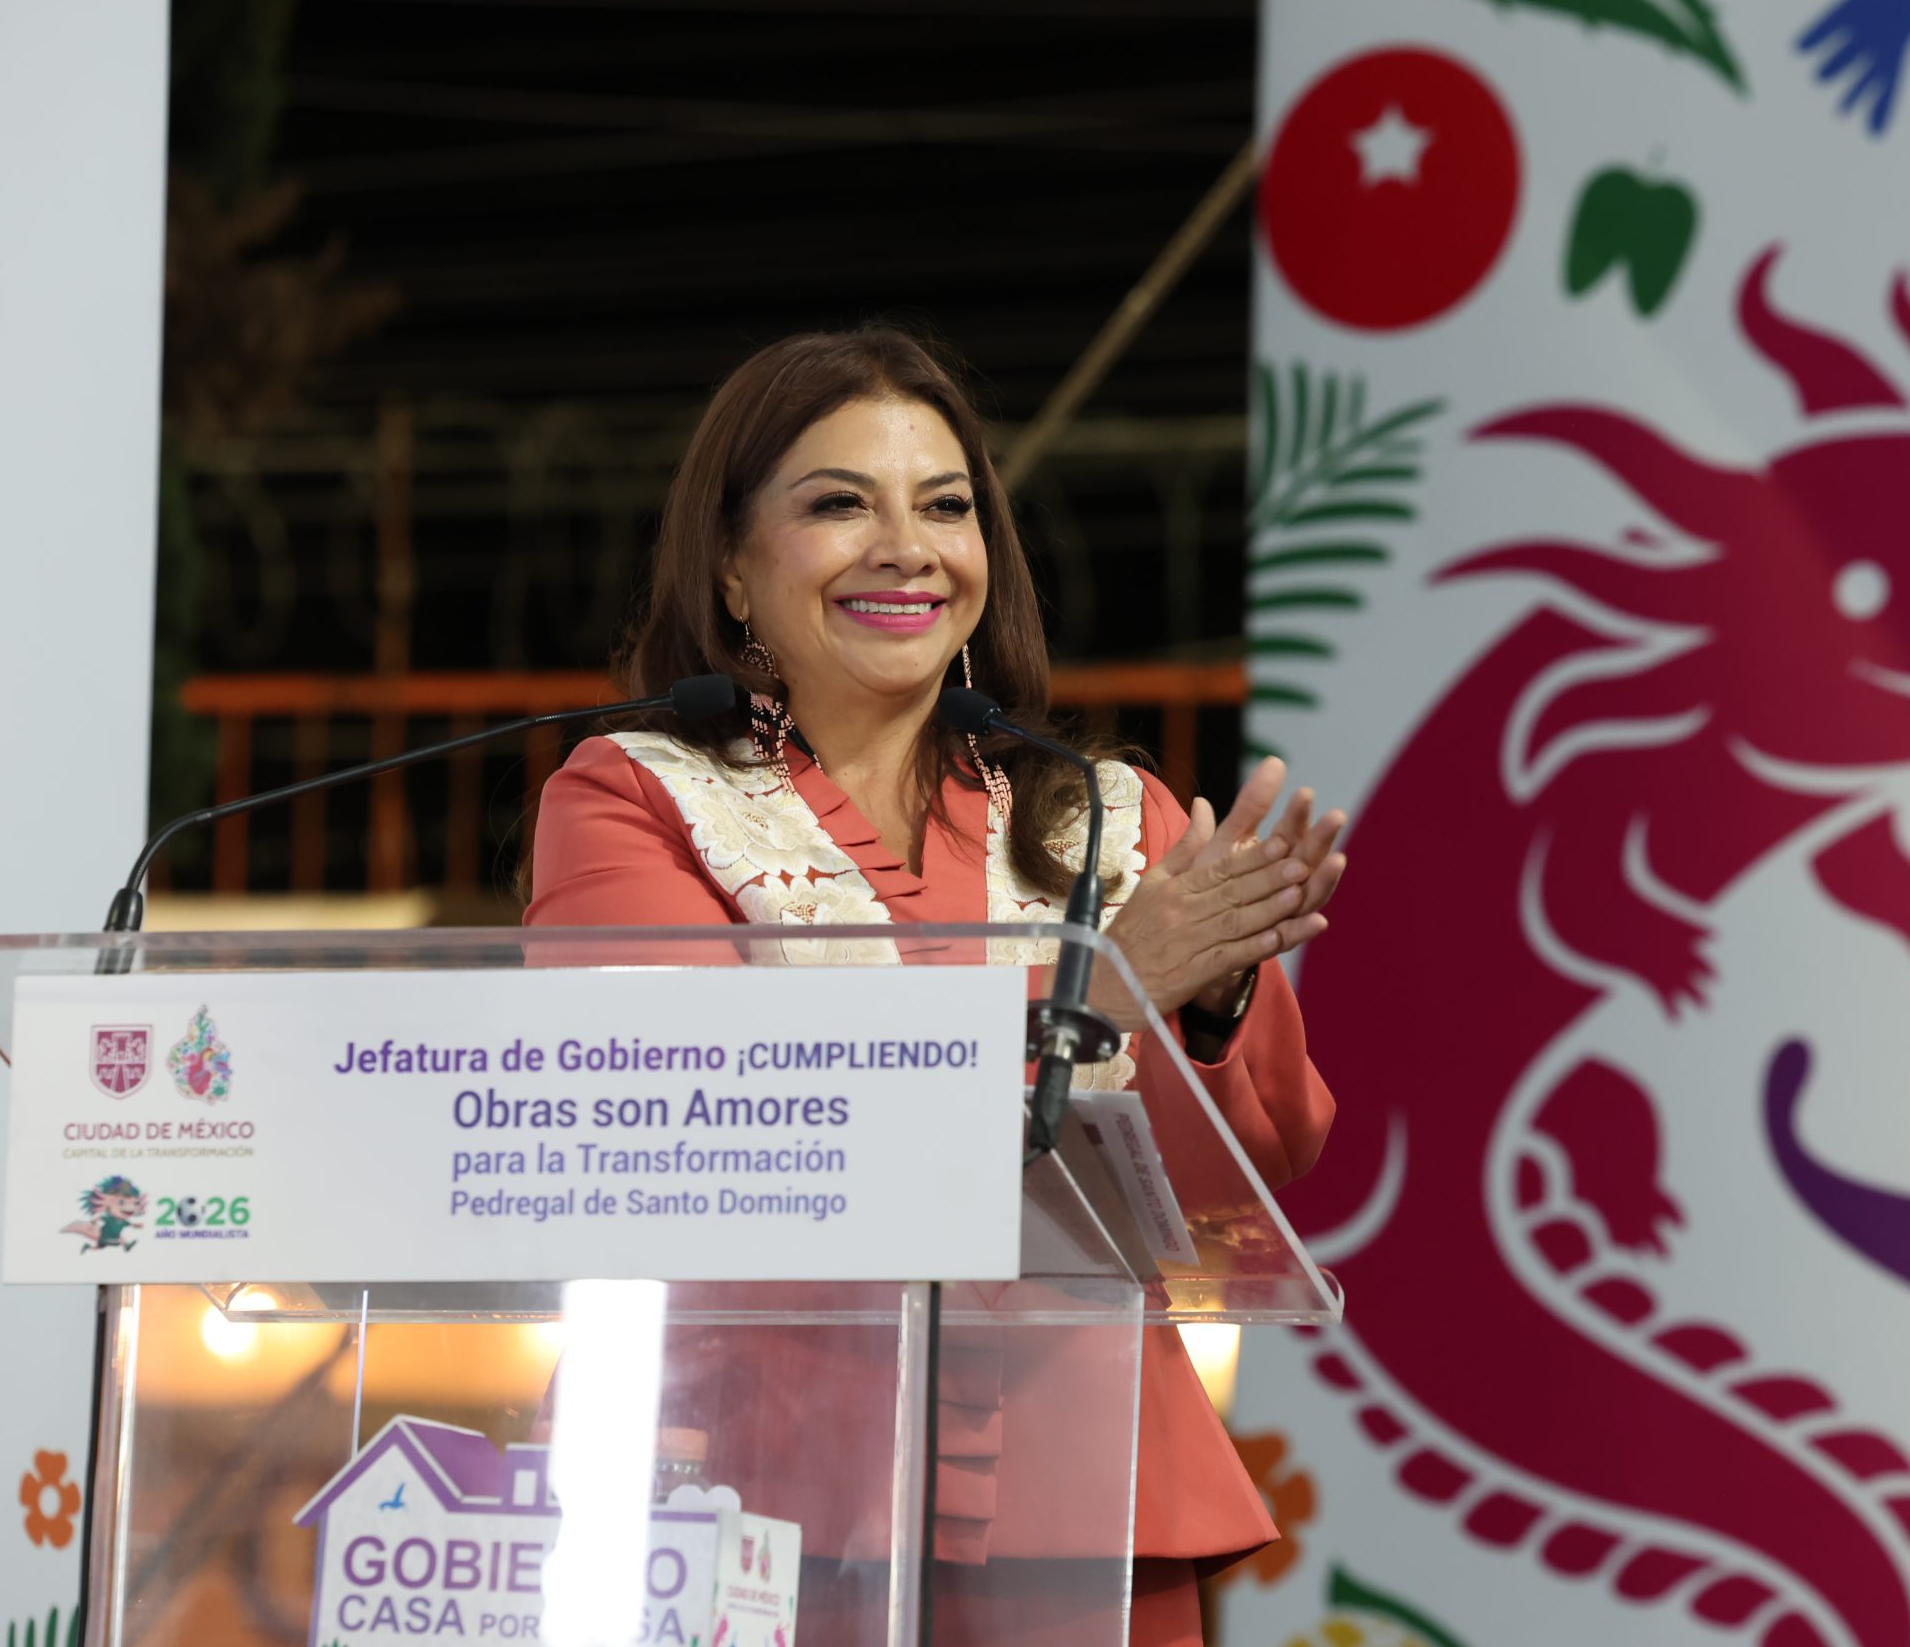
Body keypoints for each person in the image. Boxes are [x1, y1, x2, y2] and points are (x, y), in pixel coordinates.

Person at [524, 326, 1345, 1647]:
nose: (907, 545)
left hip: (1082, 1487)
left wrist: (1206, 1005)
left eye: (946, 506)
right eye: (840, 503)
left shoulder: (1108, 821)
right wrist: (1097, 998)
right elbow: (679, 1112)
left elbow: (1260, 1161)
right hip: (752, 1483)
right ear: (733, 570)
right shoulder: (635, 799)